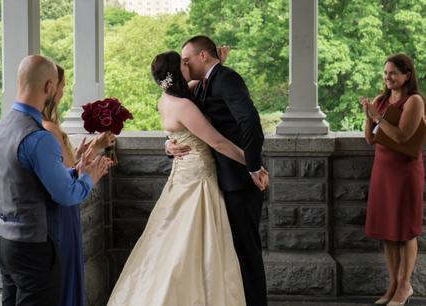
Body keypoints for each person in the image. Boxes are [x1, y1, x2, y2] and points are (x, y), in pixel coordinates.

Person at [107, 50, 253, 305]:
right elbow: (217, 142)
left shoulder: (166, 98)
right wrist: (253, 164)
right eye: (184, 63)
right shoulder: (184, 105)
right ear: (177, 72)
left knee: (172, 240)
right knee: (191, 244)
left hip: (183, 176)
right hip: (197, 180)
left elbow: (200, 82)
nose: (189, 65)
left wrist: (218, 64)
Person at [0, 55, 113, 306]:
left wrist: (76, 172)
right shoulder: (38, 137)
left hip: (4, 242)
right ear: (49, 87)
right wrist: (89, 178)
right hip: (34, 247)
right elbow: (66, 195)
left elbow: (31, 181)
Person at [166, 35, 269, 306]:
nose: (183, 65)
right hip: (215, 180)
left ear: (203, 56)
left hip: (239, 180)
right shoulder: (202, 85)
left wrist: (253, 166)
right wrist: (169, 144)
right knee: (228, 253)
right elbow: (188, 125)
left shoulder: (227, 79)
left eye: (186, 59)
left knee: (246, 252)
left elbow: (249, 121)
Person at [41, 64, 116, 306]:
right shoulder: (49, 128)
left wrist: (86, 149)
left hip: (53, 214)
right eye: (62, 87)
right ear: (50, 88)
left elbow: (66, 164)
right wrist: (95, 149)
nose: (63, 93)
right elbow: (71, 172)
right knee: (68, 273)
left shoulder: (41, 125)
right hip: (64, 212)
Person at [361, 53, 424, 306]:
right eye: (385, 73)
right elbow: (370, 139)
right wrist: (368, 115)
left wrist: (377, 117)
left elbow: (401, 136)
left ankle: (406, 285)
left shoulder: (414, 101)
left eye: (393, 73)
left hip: (405, 171)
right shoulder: (380, 100)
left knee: (406, 230)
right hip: (383, 171)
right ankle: (393, 284)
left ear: (407, 75)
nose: (388, 78)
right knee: (388, 230)